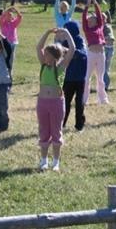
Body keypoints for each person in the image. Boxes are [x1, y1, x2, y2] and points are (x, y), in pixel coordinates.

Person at [36, 27, 75, 171]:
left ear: (53, 57)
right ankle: (44, 160)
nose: (43, 56)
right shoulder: (43, 66)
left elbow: (72, 50)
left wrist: (67, 33)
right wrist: (47, 33)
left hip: (56, 103)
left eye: (46, 54)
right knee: (44, 131)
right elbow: (38, 47)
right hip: (42, 103)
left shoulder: (61, 67)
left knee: (56, 132)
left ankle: (56, 161)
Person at [82, 0, 108, 105]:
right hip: (91, 54)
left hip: (101, 54)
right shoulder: (87, 28)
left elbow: (98, 13)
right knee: (87, 78)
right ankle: (84, 100)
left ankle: (102, 99)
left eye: (93, 18)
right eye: (89, 18)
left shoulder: (99, 26)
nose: (91, 19)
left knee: (100, 78)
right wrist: (87, 5)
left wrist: (95, 2)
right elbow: (84, 16)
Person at [62, 21, 87, 132]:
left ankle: (79, 125)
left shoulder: (79, 40)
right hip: (68, 78)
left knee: (79, 102)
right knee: (65, 102)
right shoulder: (63, 42)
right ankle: (61, 123)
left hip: (80, 78)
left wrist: (72, 51)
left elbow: (83, 54)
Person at [103, 10, 115, 92]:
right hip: (104, 48)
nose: (102, 19)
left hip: (109, 49)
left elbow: (111, 38)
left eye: (103, 18)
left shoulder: (107, 26)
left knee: (106, 68)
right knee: (104, 68)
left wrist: (103, 39)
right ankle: (104, 85)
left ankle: (106, 85)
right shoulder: (100, 26)